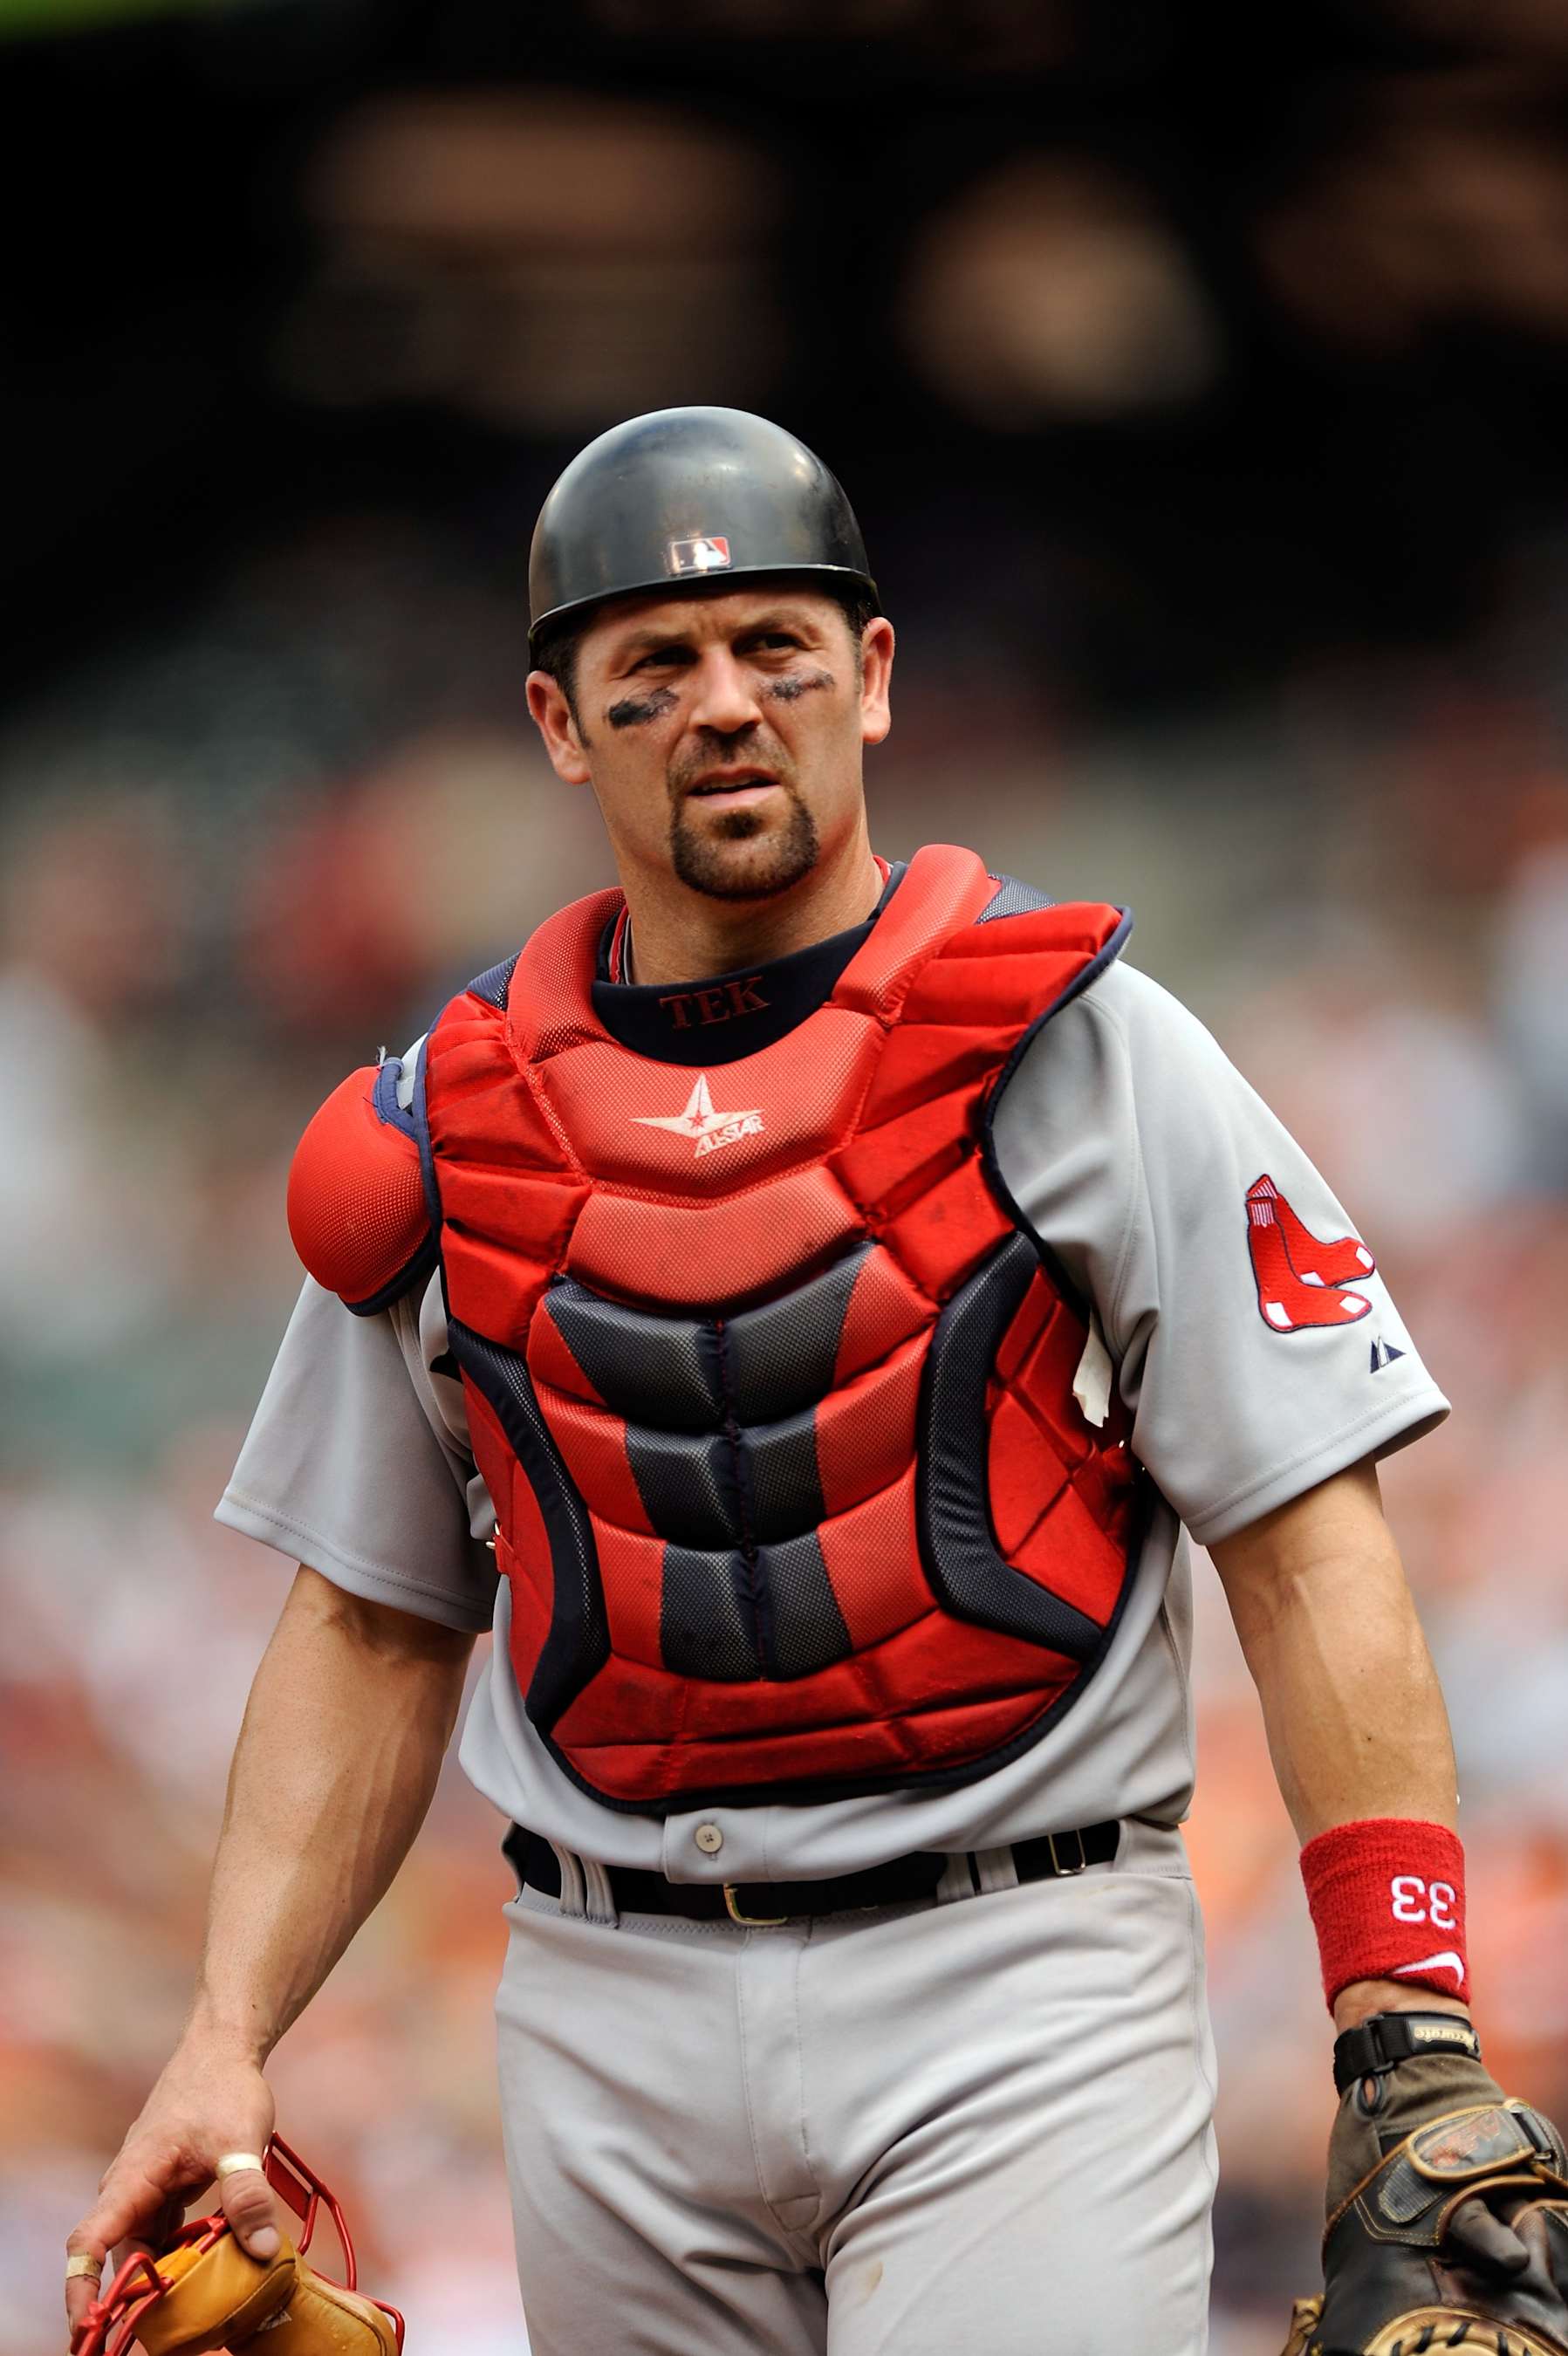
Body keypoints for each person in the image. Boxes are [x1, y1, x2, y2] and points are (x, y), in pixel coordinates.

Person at [65, 410, 1568, 2356]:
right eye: (653, 669)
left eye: (774, 647)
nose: (722, 704)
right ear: (556, 721)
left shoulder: (1073, 1044)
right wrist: (221, 2044)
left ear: (867, 678)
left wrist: (1405, 2019)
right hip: (602, 2010)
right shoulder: (449, 1128)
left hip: (1014, 1976)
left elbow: (1301, 1528)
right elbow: (365, 1621)